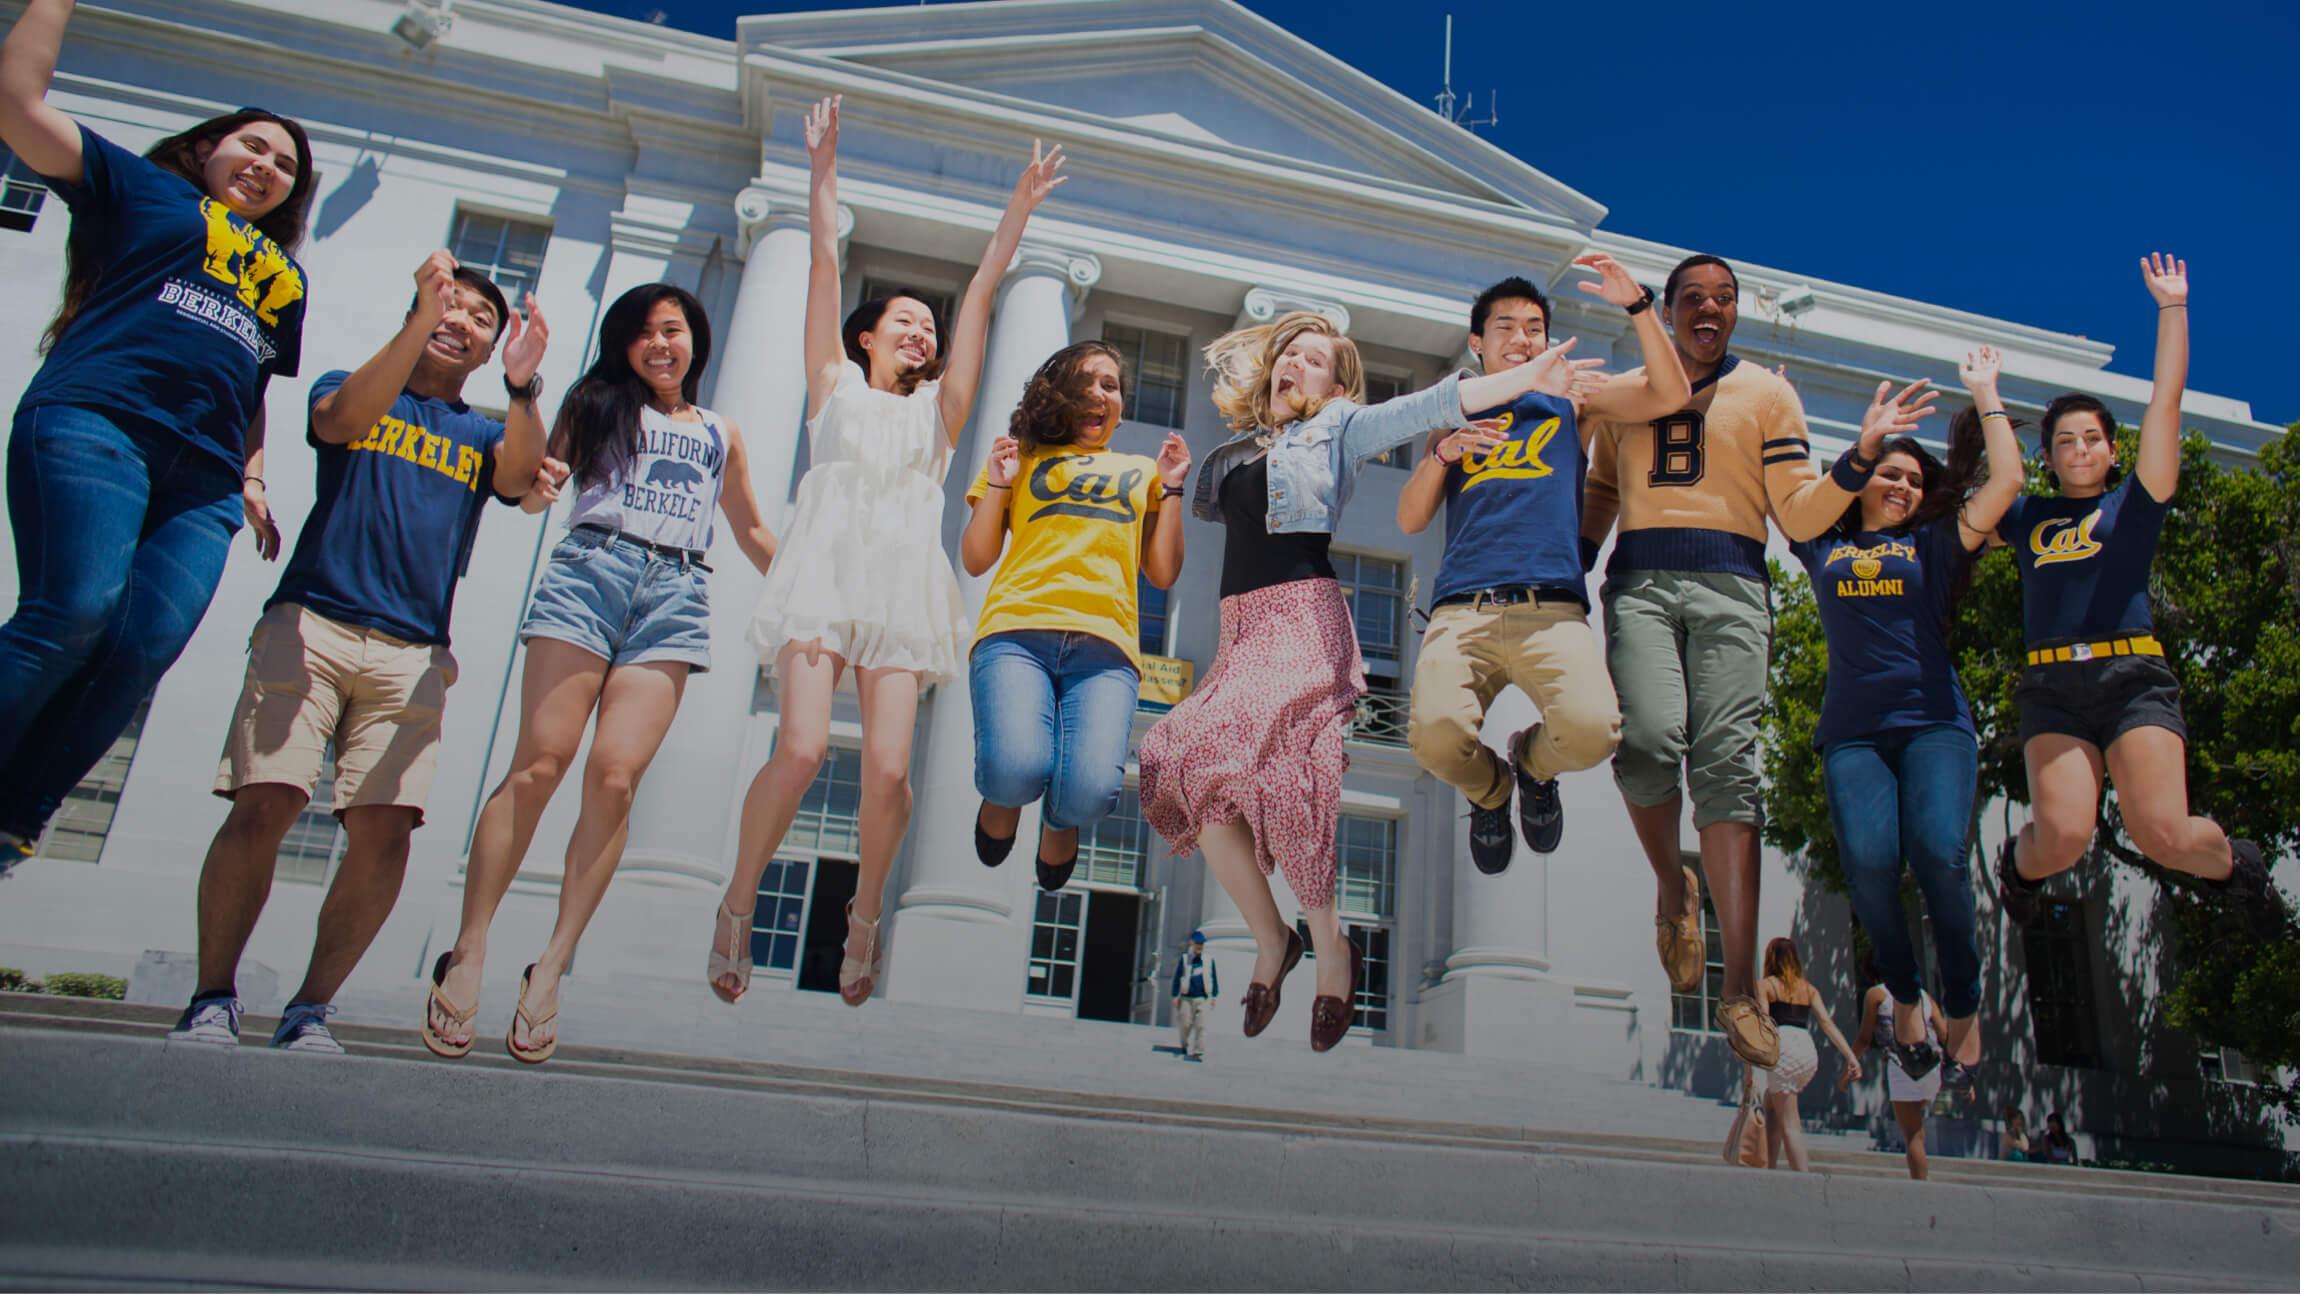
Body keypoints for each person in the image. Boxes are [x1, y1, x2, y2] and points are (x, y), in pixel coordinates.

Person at [1138, 308, 1601, 1053]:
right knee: (1176, 764)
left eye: (1316, 359)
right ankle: (1276, 939)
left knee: (1285, 787)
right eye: (1290, 352)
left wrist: (1525, 377)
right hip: (1242, 632)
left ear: (1338, 383)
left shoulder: (1343, 428)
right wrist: (1169, 487)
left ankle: (1329, 950)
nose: (1296, 363)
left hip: (1302, 621)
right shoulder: (1236, 453)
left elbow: (1432, 405)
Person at [713, 96, 1067, 1009]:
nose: (921, 330)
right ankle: (740, 898)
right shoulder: (829, 385)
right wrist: (823, 165)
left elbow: (984, 292)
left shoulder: (939, 413)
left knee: (890, 771)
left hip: (902, 588)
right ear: (865, 338)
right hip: (824, 578)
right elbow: (823, 261)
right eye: (903, 320)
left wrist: (1020, 209)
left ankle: (864, 913)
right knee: (796, 750)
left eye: (927, 325)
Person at [167, 253, 547, 1052]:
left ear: (490, 347)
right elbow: (336, 422)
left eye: (481, 318)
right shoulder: (356, 382)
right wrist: (419, 320)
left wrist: (522, 389)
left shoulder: (482, 430)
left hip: (413, 654)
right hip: (311, 624)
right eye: (452, 305)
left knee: (385, 830)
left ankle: (310, 1008)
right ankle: (212, 997)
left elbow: (518, 479)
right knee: (265, 798)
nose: (463, 321)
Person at [425, 282, 776, 1062]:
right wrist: (536, 461)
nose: (660, 345)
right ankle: (471, 947)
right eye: (645, 333)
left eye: (674, 331)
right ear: (625, 346)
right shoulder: (596, 404)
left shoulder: (721, 431)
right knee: (541, 762)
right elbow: (526, 487)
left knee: (615, 780)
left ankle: (551, 966)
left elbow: (750, 528)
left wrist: (808, 594)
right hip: (591, 570)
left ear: (696, 342)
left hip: (677, 592)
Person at [0, 0, 315, 869]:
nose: (267, 166)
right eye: (254, 145)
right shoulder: (145, 191)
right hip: (99, 422)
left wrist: (252, 476)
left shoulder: (284, 274)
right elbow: (18, 104)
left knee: (138, 653)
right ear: (207, 146)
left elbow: (249, 376)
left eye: (286, 165)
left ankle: (14, 818)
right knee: (72, 610)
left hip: (205, 483)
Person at [1581, 254, 1882, 1070]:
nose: (1708, 310)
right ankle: (1673, 888)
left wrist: (1854, 464)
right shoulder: (1626, 389)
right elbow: (1602, 491)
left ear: (1736, 314)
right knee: (1646, 740)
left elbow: (1799, 509)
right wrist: (1563, 566)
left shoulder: (1769, 395)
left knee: (1727, 769)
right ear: (1669, 310)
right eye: (1693, 299)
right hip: (1640, 581)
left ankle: (1742, 987)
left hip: (1735, 586)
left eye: (1724, 300)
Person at [1995, 256, 2273, 928]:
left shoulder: (2134, 505)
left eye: (2092, 438)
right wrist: (1985, 398)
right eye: (2065, 441)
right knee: (2060, 839)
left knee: (2164, 835)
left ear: (2113, 451)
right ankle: (2014, 867)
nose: (2081, 449)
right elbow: (1963, 509)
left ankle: (2239, 865)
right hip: (2053, 688)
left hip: (2132, 679)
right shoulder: (2024, 514)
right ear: (2049, 456)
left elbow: (2166, 402)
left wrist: (2171, 308)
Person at [1396, 256, 1687, 873]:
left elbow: (1670, 393)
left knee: (1591, 732)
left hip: (1550, 608)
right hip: (1462, 609)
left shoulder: (1572, 401)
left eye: (1534, 327)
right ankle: (1492, 791)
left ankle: (1530, 765)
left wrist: (1637, 305)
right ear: (1477, 342)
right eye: (1506, 326)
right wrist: (1443, 453)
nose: (1523, 338)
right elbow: (1411, 518)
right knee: (1435, 740)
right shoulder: (1454, 408)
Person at [1792, 348, 2024, 1088]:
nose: (1901, 485)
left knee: (1937, 856)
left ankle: (1963, 1003)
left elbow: (2010, 479)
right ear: (1863, 480)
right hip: (1853, 731)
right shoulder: (1820, 542)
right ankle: (1905, 995)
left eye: (1913, 479)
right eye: (1891, 473)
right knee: (1866, 868)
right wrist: (1826, 427)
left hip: (1932, 722)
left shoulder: (1935, 542)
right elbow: (1790, 485)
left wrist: (1985, 392)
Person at [959, 341, 1188, 892]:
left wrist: (1174, 486)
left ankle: (1059, 819)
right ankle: (1005, 794)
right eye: (1085, 383)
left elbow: (1162, 573)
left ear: (1120, 405)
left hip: (1106, 648)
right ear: (1057, 395)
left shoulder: (1141, 471)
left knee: (1089, 794)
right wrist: (996, 480)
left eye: (1110, 385)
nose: (1099, 394)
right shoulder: (1023, 459)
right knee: (1015, 769)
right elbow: (976, 557)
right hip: (1017, 632)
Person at [1753, 936, 1859, 1172]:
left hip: (1783, 1048)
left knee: (1790, 1122)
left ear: (1771, 959)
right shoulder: (1808, 989)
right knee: (1771, 1101)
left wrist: (1752, 1054)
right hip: (1806, 1049)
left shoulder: (1766, 985)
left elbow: (1764, 1022)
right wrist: (1851, 1057)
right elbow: (1827, 1024)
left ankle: (1803, 1178)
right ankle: (1770, 1166)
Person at [1843, 979, 1949, 1180]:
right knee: (1918, 1129)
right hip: (1932, 1065)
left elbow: (1865, 1038)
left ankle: (1921, 1185)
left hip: (1902, 1065)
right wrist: (1963, 1072)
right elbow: (1945, 1037)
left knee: (1913, 1134)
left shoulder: (1877, 994)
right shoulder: (1925, 996)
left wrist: (1847, 1065)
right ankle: (1922, 1180)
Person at [1170, 930, 1218, 1061]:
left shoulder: (1209, 960)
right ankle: (1184, 1044)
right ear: (1192, 944)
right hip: (1186, 997)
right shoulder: (1185, 959)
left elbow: (1213, 978)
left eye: (1201, 944)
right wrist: (1175, 995)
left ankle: (1198, 1050)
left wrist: (1214, 996)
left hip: (1202, 998)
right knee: (1185, 1023)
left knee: (1201, 1025)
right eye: (1197, 944)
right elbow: (1177, 977)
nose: (1199, 947)